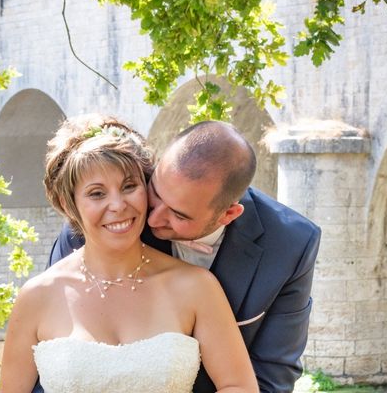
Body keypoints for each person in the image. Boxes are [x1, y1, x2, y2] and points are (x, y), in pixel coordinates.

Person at [47, 120, 322, 393]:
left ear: (229, 215)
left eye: (178, 215)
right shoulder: (103, 222)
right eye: (155, 191)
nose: (152, 219)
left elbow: (271, 377)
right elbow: (49, 361)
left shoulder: (291, 245)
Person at [0, 115, 259, 393]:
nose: (118, 205)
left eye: (129, 187)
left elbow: (239, 386)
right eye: (97, 193)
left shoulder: (198, 287)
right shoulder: (36, 297)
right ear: (68, 203)